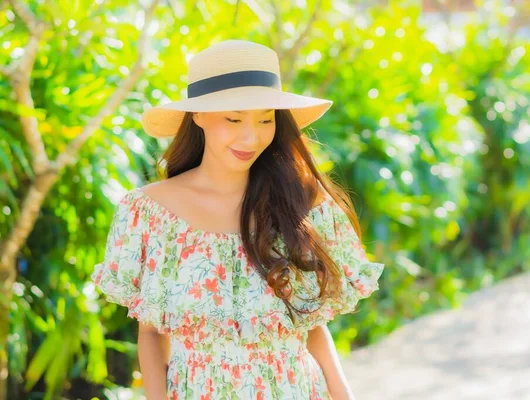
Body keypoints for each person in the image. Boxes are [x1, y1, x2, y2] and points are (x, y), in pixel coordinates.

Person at [91, 39, 384, 400]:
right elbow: (151, 334)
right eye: (234, 119)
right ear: (197, 115)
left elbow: (310, 326)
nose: (251, 136)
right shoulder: (149, 214)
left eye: (265, 119)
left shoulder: (302, 204)